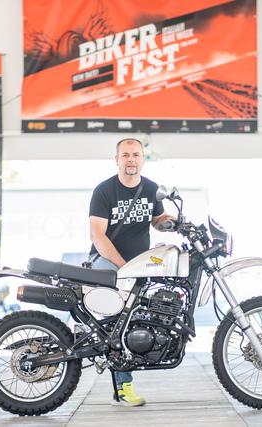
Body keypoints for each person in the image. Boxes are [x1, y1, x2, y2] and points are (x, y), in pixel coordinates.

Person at [88, 138, 174, 407]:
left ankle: (125, 377)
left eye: (136, 154)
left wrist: (172, 222)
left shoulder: (151, 189)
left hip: (139, 265)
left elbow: (157, 220)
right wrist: (124, 267)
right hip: (108, 262)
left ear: (142, 159)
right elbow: (97, 236)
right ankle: (123, 387)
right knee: (119, 319)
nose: (131, 159)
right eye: (125, 155)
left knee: (135, 320)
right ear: (117, 160)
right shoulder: (104, 191)